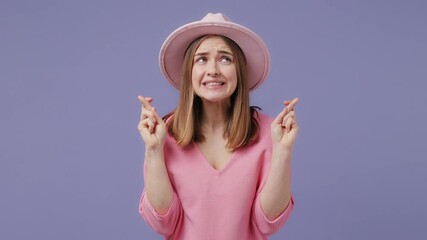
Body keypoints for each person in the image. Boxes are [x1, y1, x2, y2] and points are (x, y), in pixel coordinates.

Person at [137, 13, 299, 240]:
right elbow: (164, 222)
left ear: (239, 70)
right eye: (201, 59)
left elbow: (268, 222)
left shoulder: (270, 133)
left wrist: (283, 152)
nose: (213, 69)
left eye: (225, 59)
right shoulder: (165, 133)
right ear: (189, 72)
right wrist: (154, 150)